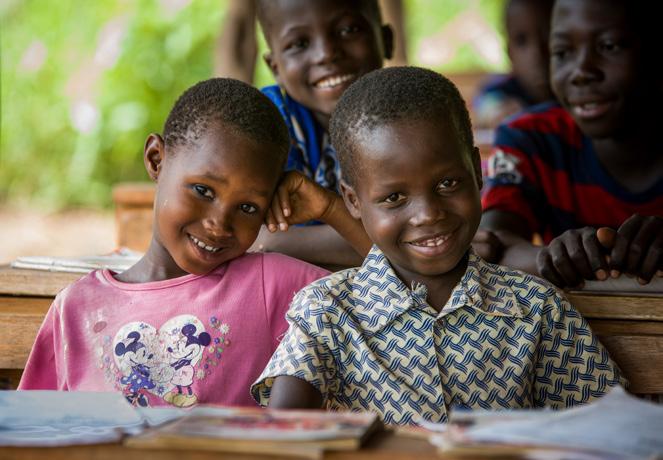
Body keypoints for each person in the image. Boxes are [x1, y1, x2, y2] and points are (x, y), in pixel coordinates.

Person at [251, 67, 625, 425]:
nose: (428, 214)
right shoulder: (327, 311)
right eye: (394, 197)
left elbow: (610, 429)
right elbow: (285, 431)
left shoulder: (537, 310)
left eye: (448, 184)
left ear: (477, 172)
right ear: (352, 201)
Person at [17, 78, 369, 408]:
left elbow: (399, 287)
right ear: (157, 159)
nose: (219, 223)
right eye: (203, 190)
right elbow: (35, 434)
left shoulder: (271, 284)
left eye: (248, 207)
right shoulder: (76, 308)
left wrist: (329, 207)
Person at [480, 0, 663, 289]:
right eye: (562, 52)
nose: (581, 71)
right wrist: (553, 257)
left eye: (609, 46)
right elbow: (491, 246)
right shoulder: (530, 138)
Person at [251, 0, 394, 269]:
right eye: (299, 44)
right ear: (275, 68)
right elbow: (256, 242)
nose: (327, 53)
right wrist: (402, 247)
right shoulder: (264, 125)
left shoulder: (415, 118)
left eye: (349, 29)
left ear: (385, 40)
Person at [473, 0, 555, 129]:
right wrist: (494, 113)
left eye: (548, 36)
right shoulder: (502, 90)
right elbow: (486, 104)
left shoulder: (576, 90)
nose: (537, 53)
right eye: (521, 41)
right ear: (509, 53)